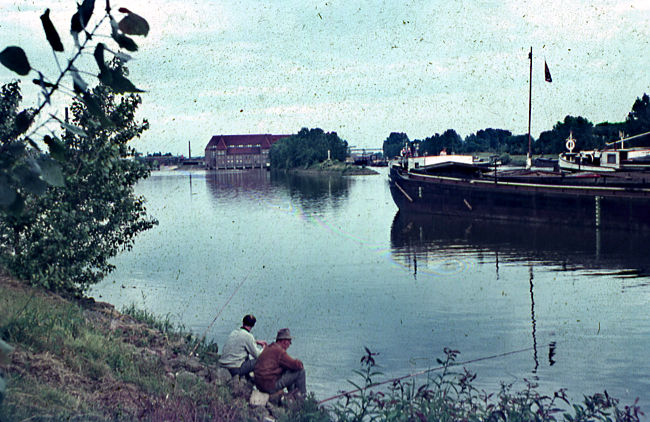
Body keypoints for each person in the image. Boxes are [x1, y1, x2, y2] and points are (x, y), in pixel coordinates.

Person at [254, 328, 306, 396]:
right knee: (300, 371)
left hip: (259, 385)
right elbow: (297, 365)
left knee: (288, 369)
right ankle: (302, 397)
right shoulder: (279, 351)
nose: (290, 344)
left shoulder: (269, 348)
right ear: (284, 341)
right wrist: (300, 363)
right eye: (289, 341)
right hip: (269, 386)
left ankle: (293, 395)